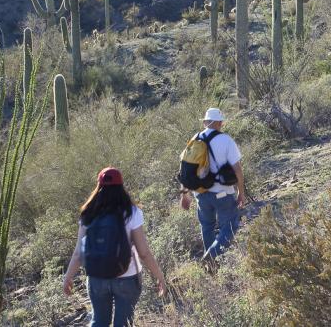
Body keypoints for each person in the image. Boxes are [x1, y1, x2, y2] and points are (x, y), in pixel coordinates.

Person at [64, 168, 167, 327]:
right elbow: (144, 253)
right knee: (123, 324)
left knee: (99, 321)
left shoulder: (88, 213)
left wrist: (68, 277)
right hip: (128, 276)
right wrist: (160, 276)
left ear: (98, 186)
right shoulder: (132, 212)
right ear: (121, 186)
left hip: (97, 277)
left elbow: (79, 252)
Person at [179, 108, 246, 259]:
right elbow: (238, 170)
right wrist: (241, 193)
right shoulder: (226, 140)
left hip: (200, 194)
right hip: (223, 193)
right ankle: (211, 256)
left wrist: (184, 195)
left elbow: (184, 170)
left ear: (205, 122)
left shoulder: (194, 140)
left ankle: (211, 265)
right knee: (230, 226)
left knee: (207, 227)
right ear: (220, 123)